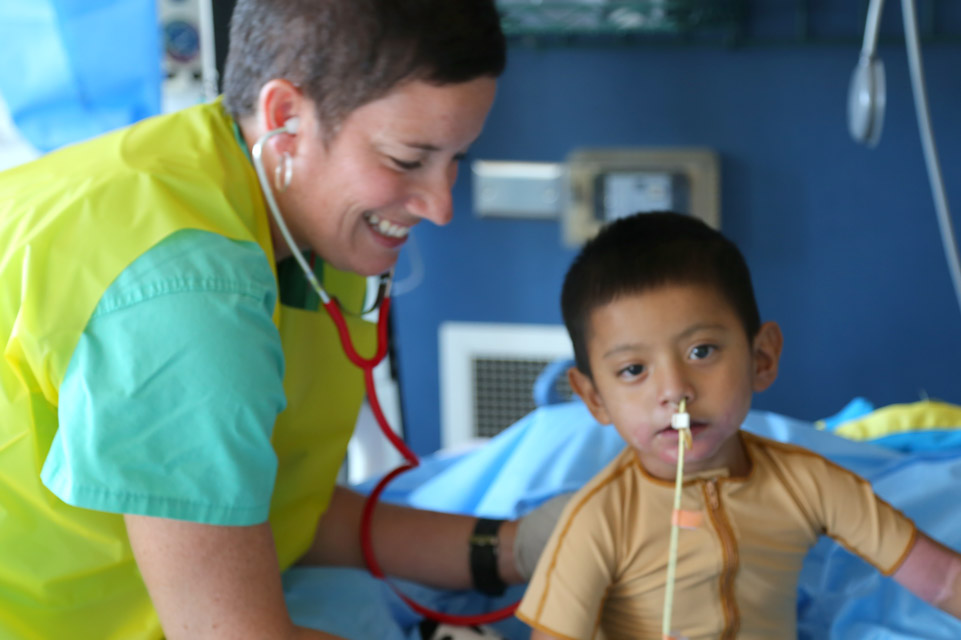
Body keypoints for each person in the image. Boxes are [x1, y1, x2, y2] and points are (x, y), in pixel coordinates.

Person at [0, 1, 556, 638]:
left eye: (456, 158)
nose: (439, 205)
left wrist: (517, 547)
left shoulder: (292, 201)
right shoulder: (184, 300)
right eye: (407, 160)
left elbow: (275, 505)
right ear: (285, 114)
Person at [515, 212, 961, 639]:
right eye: (633, 370)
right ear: (594, 397)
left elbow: (943, 581)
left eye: (702, 351)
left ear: (761, 358)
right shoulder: (598, 521)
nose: (675, 390)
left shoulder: (811, 485)